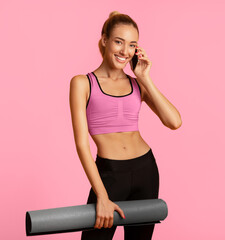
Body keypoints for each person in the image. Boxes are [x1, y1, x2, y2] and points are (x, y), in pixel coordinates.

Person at [69, 10, 182, 240]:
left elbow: (174, 121)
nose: (124, 51)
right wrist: (101, 195)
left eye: (132, 45)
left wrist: (145, 78)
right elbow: (82, 145)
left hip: (145, 170)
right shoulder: (82, 83)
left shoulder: (138, 84)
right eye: (119, 42)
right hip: (110, 174)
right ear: (104, 40)